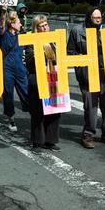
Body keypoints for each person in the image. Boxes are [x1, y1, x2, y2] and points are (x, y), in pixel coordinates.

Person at [68, 7, 105, 147]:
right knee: (90, 106)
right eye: (95, 18)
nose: (98, 20)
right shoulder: (77, 31)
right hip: (87, 74)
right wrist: (81, 60)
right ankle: (88, 135)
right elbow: (70, 52)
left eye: (100, 18)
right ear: (88, 17)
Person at [25, 15, 63, 150]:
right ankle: (37, 141)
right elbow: (29, 62)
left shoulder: (55, 40)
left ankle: (50, 140)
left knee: (54, 109)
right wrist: (40, 51)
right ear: (36, 28)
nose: (45, 27)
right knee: (37, 111)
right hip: (37, 78)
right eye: (41, 26)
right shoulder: (30, 42)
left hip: (53, 77)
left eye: (46, 24)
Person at [0, 6, 29, 133]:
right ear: (11, 24)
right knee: (8, 94)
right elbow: (1, 24)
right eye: (18, 22)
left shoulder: (22, 34)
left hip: (20, 68)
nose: (20, 24)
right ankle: (11, 118)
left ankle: (32, 113)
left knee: (26, 92)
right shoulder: (4, 34)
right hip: (7, 68)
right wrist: (4, 12)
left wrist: (22, 28)